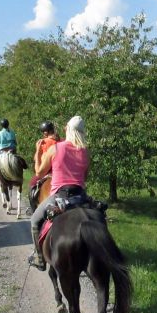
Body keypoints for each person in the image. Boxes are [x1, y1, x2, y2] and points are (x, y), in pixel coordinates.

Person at [28, 115, 89, 271]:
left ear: (67, 130)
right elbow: (85, 175)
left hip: (60, 195)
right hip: (81, 196)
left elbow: (39, 172)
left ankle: (39, 259)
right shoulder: (85, 151)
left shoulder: (55, 148)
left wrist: (37, 152)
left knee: (34, 221)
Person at [29, 120, 60, 189]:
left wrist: (37, 150)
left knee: (32, 183)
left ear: (46, 132)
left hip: (47, 171)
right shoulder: (60, 141)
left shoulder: (43, 142)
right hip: (60, 171)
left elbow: (35, 158)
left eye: (43, 132)